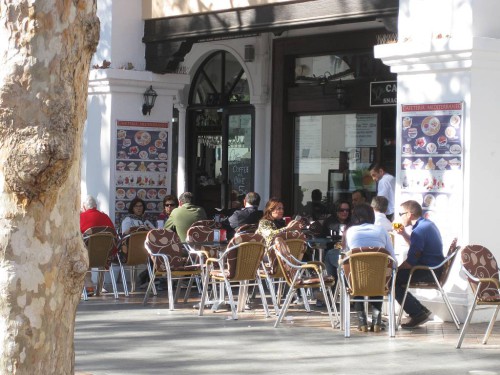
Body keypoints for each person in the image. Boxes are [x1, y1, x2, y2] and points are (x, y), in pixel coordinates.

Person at [343, 203, 396, 332]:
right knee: (379, 274)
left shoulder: (350, 231)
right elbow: (392, 257)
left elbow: (346, 254)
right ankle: (377, 321)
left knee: (354, 273)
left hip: (356, 282)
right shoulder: (382, 231)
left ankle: (362, 322)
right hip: (379, 282)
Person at [393, 200, 444, 329]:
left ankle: (417, 313)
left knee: (391, 281)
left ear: (409, 214)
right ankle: (420, 310)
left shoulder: (419, 231)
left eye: (401, 213)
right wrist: (404, 234)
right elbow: (417, 248)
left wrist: (395, 270)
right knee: (395, 278)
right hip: (434, 269)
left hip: (428, 271)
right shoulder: (426, 225)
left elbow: (411, 261)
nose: (400, 216)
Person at [80, 195, 116, 295]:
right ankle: (99, 287)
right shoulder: (105, 217)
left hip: (87, 256)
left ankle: (88, 286)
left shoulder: (80, 217)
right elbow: (114, 236)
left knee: (83, 248)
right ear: (96, 206)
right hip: (105, 256)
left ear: (84, 207)